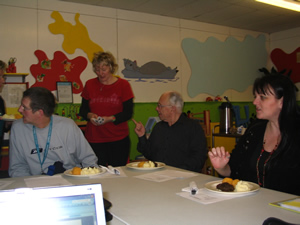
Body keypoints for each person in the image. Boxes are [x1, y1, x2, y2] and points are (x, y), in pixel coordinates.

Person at [208, 73, 300, 195]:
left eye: (262, 97)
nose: (255, 102)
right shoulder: (255, 130)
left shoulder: (296, 135)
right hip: (252, 205)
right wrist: (221, 167)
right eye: (255, 96)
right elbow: (234, 171)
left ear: (282, 102)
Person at [9, 87, 98, 177]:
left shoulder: (68, 126)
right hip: (34, 182)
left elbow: (88, 159)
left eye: (24, 108)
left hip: (68, 179)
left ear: (40, 113)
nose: (19, 110)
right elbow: (17, 167)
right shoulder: (18, 128)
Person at [80, 51, 134, 167]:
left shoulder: (123, 85)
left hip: (118, 139)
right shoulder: (89, 84)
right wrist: (90, 116)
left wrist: (110, 119)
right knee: (96, 172)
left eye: (104, 70)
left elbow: (128, 113)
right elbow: (83, 111)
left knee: (118, 173)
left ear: (111, 67)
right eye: (97, 70)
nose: (100, 73)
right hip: (95, 139)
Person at [132, 91, 207, 172]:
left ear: (172, 109)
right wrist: (142, 136)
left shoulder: (193, 128)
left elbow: (199, 158)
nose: (156, 108)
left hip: (184, 177)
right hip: (158, 175)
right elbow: (149, 154)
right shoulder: (158, 127)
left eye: (160, 106)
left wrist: (178, 171)